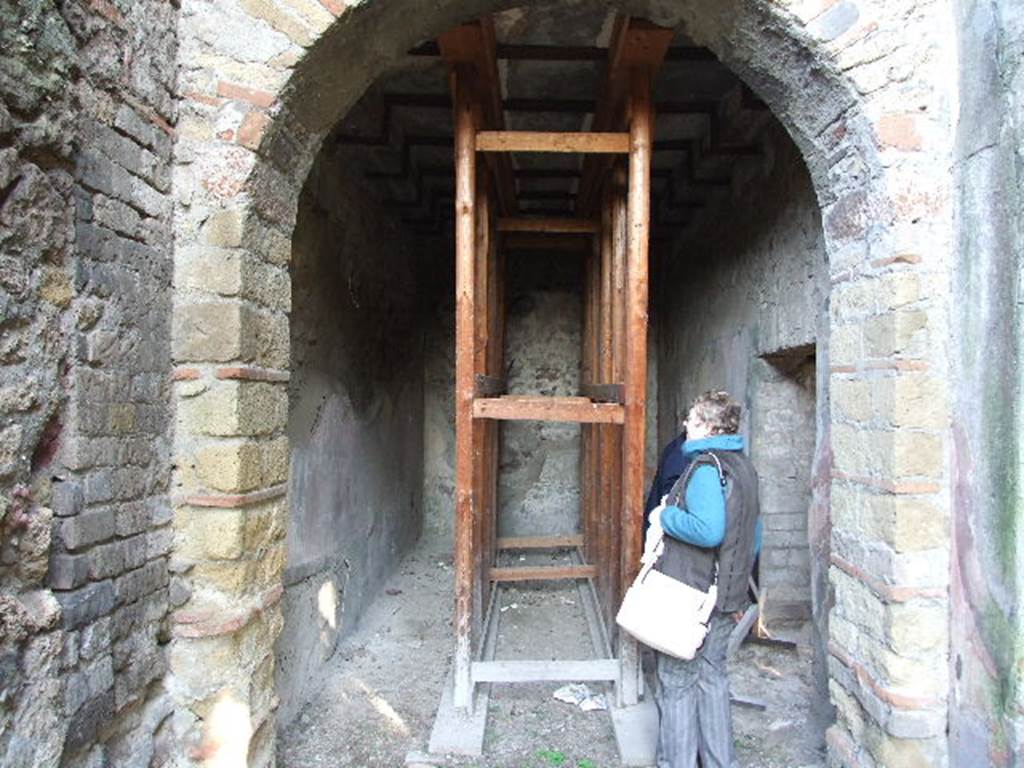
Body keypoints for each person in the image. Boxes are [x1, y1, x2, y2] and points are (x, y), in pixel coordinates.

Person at [647, 390, 761, 768]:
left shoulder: (706, 468)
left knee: (676, 682)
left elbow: (709, 531)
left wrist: (665, 516)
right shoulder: (742, 467)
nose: (686, 426)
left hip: (693, 595)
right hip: (726, 595)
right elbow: (752, 535)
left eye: (693, 421)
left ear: (711, 428)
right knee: (712, 679)